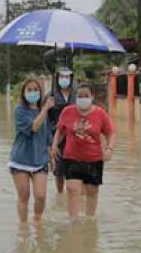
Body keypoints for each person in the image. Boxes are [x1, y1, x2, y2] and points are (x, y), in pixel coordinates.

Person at [51, 83, 117, 219]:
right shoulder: (67, 111)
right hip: (71, 157)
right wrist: (54, 145)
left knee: (92, 192)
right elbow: (60, 130)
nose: (82, 98)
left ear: (92, 96)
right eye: (79, 96)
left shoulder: (100, 114)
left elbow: (111, 133)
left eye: (86, 95)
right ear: (76, 97)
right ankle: (73, 222)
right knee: (72, 188)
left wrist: (109, 149)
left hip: (94, 160)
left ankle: (90, 221)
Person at [9, 78, 55, 223]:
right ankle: (23, 227)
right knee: (24, 196)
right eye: (29, 90)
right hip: (20, 159)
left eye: (36, 89)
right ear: (23, 93)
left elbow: (47, 133)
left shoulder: (44, 110)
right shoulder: (19, 111)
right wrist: (45, 109)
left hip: (40, 158)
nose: (33, 92)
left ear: (40, 92)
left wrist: (51, 155)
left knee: (40, 196)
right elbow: (34, 127)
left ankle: (37, 220)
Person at [48, 67, 76, 194]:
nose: (64, 79)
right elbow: (45, 121)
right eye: (61, 77)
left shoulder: (76, 95)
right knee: (59, 171)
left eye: (67, 77)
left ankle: (74, 195)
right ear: (57, 78)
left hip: (74, 138)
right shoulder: (50, 96)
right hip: (56, 137)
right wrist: (49, 143)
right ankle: (60, 194)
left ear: (71, 79)